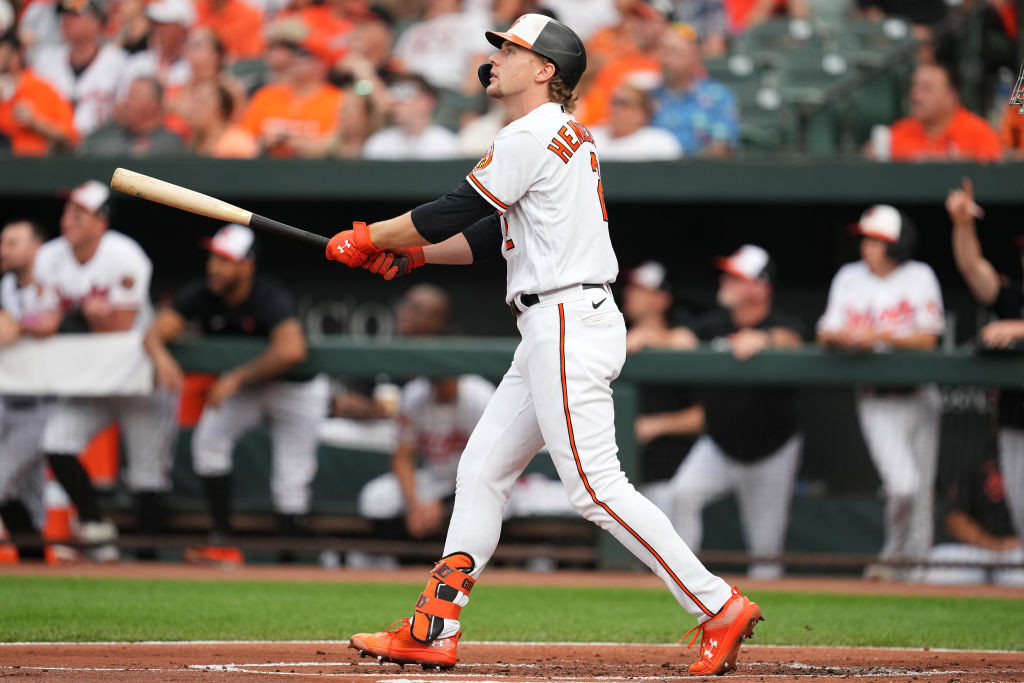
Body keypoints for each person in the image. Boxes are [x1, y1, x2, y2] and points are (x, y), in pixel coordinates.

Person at [325, 14, 762, 675]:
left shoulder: (530, 133)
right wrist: (410, 259)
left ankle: (718, 604)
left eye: (512, 49)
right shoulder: (557, 135)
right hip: (554, 323)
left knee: (594, 488)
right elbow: (479, 235)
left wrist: (372, 236)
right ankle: (433, 625)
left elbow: (451, 210)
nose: (496, 56)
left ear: (546, 69)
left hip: (565, 320)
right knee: (480, 471)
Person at [143, 223, 329, 565]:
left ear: (246, 265)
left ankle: (289, 563)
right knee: (208, 443)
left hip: (295, 389)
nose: (215, 267)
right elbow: (155, 332)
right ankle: (223, 539)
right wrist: (162, 356)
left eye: (225, 260)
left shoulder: (266, 295)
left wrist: (236, 377)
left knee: (291, 476)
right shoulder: (202, 292)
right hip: (247, 388)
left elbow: (292, 350)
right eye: (213, 258)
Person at [632, 246, 805, 580]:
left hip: (771, 451)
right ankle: (687, 581)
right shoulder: (715, 323)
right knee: (683, 494)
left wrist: (766, 339)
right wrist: (650, 337)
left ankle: (763, 621)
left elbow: (793, 339)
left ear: (760, 287)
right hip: (720, 446)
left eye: (736, 278)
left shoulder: (781, 324)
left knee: (766, 555)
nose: (725, 281)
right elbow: (681, 338)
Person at [31, 180, 178, 562]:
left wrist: (64, 318)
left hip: (135, 377)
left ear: (100, 222)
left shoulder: (124, 255)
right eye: (67, 212)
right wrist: (80, 313)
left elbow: (121, 325)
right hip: (87, 380)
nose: (68, 220)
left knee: (148, 476)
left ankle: (151, 567)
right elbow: (38, 321)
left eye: (79, 214)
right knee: (56, 443)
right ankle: (95, 523)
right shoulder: (49, 257)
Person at [817, 205, 945, 580]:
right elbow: (825, 330)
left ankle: (916, 579)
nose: (868, 246)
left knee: (921, 496)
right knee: (902, 486)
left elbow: (929, 337)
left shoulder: (919, 276)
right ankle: (892, 558)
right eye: (867, 238)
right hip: (876, 397)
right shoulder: (849, 277)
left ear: (897, 245)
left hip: (920, 394)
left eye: (877, 240)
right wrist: (840, 337)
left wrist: (879, 337)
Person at [946, 177, 1024, 541]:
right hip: (1015, 425)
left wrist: (1019, 329)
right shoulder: (1013, 296)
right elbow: (973, 269)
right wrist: (963, 224)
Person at [0, 219, 53, 561]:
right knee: (26, 493)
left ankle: (34, 556)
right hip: (7, 398)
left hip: (45, 401)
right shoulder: (6, 284)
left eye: (12, 243)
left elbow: (56, 322)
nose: (3, 250)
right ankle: (34, 560)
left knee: (4, 481)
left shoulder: (55, 282)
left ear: (36, 248)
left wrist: (21, 324)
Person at [239, 25, 344, 158]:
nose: (296, 59)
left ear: (322, 64)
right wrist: (263, 142)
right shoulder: (267, 95)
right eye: (295, 52)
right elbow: (245, 139)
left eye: (304, 54)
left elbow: (333, 144)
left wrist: (287, 143)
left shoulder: (337, 100)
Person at [923, 450, 1024, 586]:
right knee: (939, 571)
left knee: (1019, 576)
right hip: (976, 549)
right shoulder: (980, 458)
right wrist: (995, 545)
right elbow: (955, 521)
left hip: (1017, 552)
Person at [867, 62, 1002, 162]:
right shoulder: (900, 131)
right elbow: (871, 155)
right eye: (914, 86)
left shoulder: (980, 134)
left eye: (927, 88)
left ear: (951, 95)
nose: (916, 96)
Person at [649, 21, 738, 157]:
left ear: (694, 56)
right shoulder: (647, 96)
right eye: (663, 51)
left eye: (674, 52)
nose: (666, 59)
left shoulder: (717, 96)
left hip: (700, 173)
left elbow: (722, 149)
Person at [0, 28, 79, 155]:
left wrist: (34, 122)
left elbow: (70, 138)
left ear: (16, 55)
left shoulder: (40, 89)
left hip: (31, 167)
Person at [78, 76, 186, 155]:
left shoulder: (168, 140)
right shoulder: (111, 133)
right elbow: (88, 147)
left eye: (134, 97)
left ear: (154, 105)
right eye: (127, 96)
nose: (127, 103)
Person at [361, 74, 459, 160]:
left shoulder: (447, 145)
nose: (398, 101)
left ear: (428, 102)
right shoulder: (377, 144)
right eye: (394, 94)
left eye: (406, 93)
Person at [590, 83, 681, 160]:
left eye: (624, 104)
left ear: (643, 113)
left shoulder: (660, 143)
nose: (616, 109)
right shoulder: (590, 137)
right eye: (614, 103)